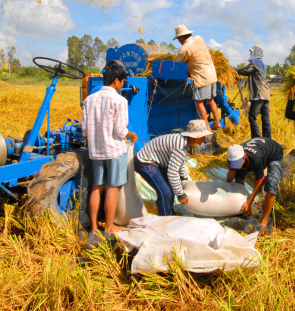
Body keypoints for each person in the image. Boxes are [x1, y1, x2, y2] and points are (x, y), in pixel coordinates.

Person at [82, 60, 138, 234]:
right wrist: (132, 135)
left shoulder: (89, 99)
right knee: (112, 189)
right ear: (116, 81)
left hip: (96, 151)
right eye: (122, 82)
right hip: (114, 151)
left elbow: (84, 129)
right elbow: (120, 131)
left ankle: (92, 226)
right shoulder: (119, 101)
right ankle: (109, 227)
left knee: (96, 187)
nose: (122, 85)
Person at [134, 120, 211, 216]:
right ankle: (166, 219)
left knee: (171, 187)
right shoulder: (181, 146)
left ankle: (171, 213)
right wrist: (180, 194)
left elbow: (179, 161)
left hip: (160, 162)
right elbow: (172, 172)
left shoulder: (184, 142)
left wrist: (184, 178)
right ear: (196, 137)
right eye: (203, 136)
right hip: (145, 162)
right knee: (165, 191)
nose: (205, 138)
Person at [226, 137, 284, 234]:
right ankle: (242, 209)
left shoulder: (256, 158)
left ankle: (264, 221)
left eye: (237, 163)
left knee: (271, 186)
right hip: (258, 151)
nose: (236, 166)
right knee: (239, 176)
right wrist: (226, 187)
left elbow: (259, 181)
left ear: (244, 156)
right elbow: (232, 173)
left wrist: (249, 202)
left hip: (274, 153)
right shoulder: (233, 155)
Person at [172, 24, 222, 131]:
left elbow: (176, 63)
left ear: (181, 37)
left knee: (199, 102)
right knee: (210, 99)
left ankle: (207, 127)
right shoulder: (199, 38)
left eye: (178, 39)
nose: (178, 41)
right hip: (212, 73)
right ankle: (217, 122)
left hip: (201, 76)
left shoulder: (185, 48)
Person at [236, 45, 271, 139]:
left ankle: (256, 139)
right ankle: (267, 140)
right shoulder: (262, 63)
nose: (251, 54)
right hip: (266, 94)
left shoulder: (255, 63)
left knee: (252, 118)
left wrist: (233, 70)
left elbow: (244, 71)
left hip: (259, 94)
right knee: (265, 119)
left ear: (257, 52)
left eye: (252, 52)